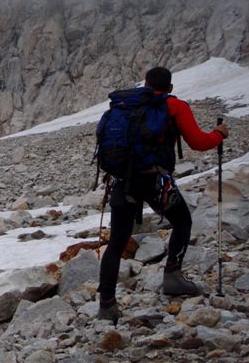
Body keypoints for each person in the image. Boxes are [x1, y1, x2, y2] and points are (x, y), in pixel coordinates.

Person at [97, 66, 229, 323]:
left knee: (117, 242)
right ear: (170, 87)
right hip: (155, 181)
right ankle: (173, 276)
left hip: (123, 181)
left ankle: (106, 305)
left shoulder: (124, 106)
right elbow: (198, 142)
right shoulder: (174, 105)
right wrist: (219, 134)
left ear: (145, 84)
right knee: (182, 221)